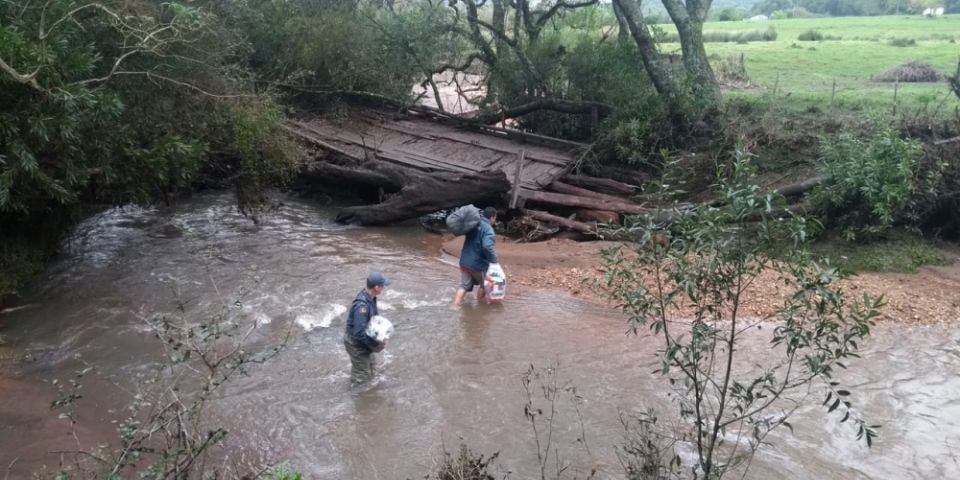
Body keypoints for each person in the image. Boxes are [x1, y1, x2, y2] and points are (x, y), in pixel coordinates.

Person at [344, 272, 390, 386]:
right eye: (383, 285)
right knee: (362, 379)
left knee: (372, 369)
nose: (384, 288)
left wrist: (380, 337)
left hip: (364, 340)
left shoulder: (371, 298)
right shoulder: (362, 306)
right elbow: (359, 333)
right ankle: (357, 397)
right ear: (376, 287)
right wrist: (374, 345)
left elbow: (374, 320)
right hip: (356, 344)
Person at [454, 206, 498, 306]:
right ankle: (479, 307)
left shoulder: (473, 223)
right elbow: (487, 247)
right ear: (492, 218)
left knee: (464, 286)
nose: (495, 221)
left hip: (464, 262)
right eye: (495, 218)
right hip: (478, 265)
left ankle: (455, 306)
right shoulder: (488, 230)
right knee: (484, 285)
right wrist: (494, 260)